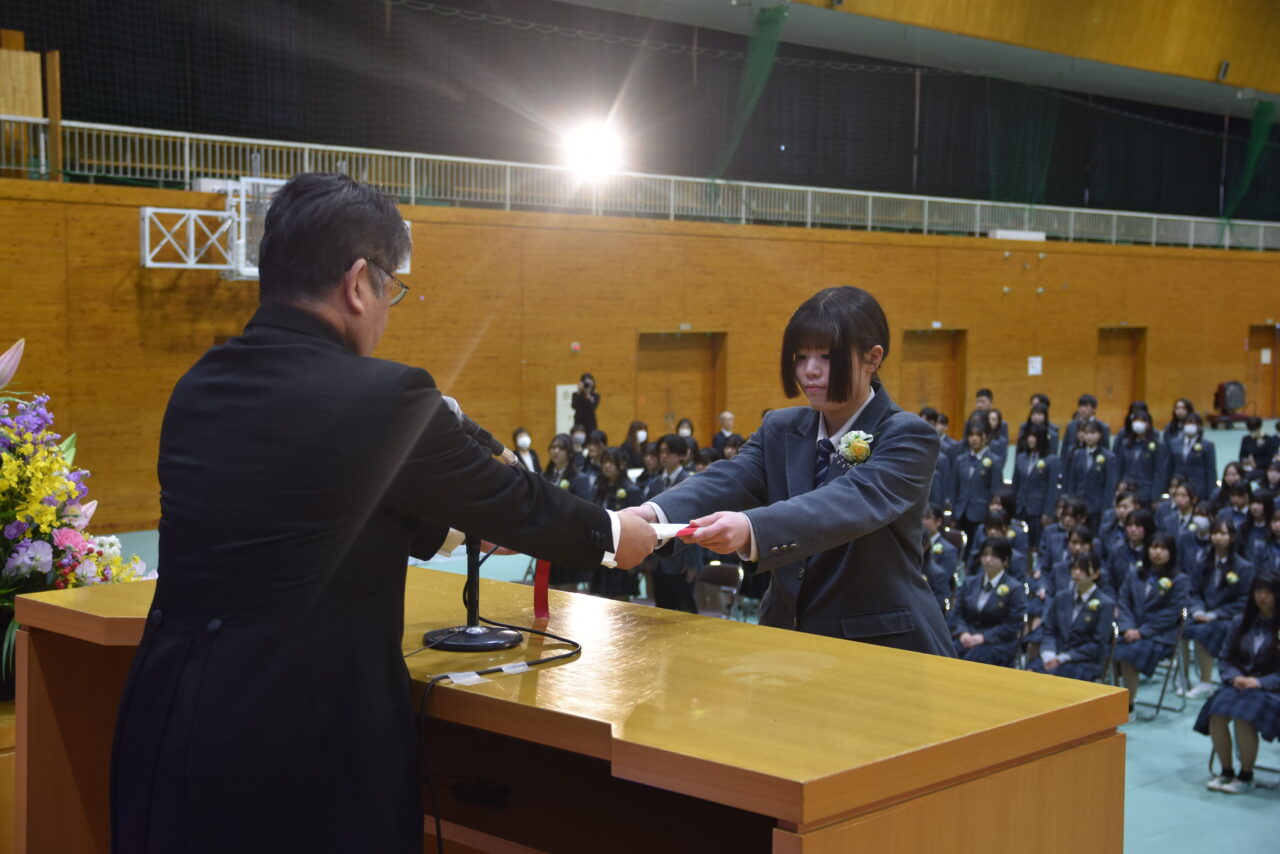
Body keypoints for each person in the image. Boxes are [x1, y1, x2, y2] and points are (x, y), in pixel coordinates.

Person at [109, 173, 655, 853]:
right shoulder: (386, 396)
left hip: (170, 727)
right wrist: (612, 534)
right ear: (358, 282)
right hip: (305, 750)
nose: (389, 309)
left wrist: (454, 524)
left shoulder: (198, 386)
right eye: (392, 289)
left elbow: (320, 513)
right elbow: (510, 500)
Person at [627, 286, 953, 655]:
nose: (809, 371)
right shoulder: (781, 427)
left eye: (827, 357)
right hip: (784, 639)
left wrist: (752, 528)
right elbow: (730, 478)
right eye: (800, 356)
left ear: (873, 358)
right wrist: (650, 513)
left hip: (879, 645)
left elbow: (846, 503)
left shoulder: (909, 435)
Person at [1195, 571, 1280, 794]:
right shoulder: (1240, 621)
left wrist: (1260, 682)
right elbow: (1225, 656)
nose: (1263, 596)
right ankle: (1226, 771)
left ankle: (1246, 775)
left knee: (1244, 718)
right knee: (1217, 714)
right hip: (1239, 683)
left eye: (1269, 592)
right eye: (1259, 591)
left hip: (1270, 689)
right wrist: (1234, 677)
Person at [1113, 531, 1190, 712]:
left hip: (1160, 635)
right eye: (1154, 547)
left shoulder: (1179, 580)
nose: (1157, 552)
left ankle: (1127, 706)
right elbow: (1124, 601)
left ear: (1171, 552)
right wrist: (1128, 627)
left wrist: (1142, 631)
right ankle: (1113, 699)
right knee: (1107, 647)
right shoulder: (1135, 573)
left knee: (1129, 653)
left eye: (1163, 548)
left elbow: (1170, 614)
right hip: (1130, 629)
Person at [1182, 518, 1255, 699]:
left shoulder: (1244, 567)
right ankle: (1184, 679)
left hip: (1228, 618)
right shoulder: (1202, 562)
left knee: (1204, 632)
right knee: (1182, 626)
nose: (1218, 538)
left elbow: (1245, 601)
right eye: (1215, 533)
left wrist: (1215, 614)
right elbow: (1194, 591)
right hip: (1202, 613)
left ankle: (1205, 681)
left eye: (1223, 534)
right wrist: (1198, 610)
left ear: (1231, 537)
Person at [1030, 553, 1116, 681]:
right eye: (1074, 568)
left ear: (1096, 574)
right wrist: (1048, 653)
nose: (1077, 573)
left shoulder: (1105, 604)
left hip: (1084, 662)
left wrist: (1065, 657)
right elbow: (1049, 630)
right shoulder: (1061, 597)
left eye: (1082, 569)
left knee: (1056, 677)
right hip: (1055, 655)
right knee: (1028, 673)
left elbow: (1098, 645)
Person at [643, 433, 701, 612]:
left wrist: (693, 562)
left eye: (669, 452)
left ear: (682, 455)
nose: (664, 456)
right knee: (661, 607)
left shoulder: (690, 481)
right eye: (661, 451)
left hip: (681, 558)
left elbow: (695, 522)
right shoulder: (655, 483)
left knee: (684, 609)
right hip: (658, 558)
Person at [950, 537, 1027, 666]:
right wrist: (963, 632)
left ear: (1005, 561)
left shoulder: (1015, 589)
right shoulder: (970, 583)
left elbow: (1013, 624)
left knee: (973, 659)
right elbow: (958, 613)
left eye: (994, 556)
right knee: (946, 652)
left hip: (997, 643)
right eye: (985, 555)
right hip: (968, 635)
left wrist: (984, 637)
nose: (988, 559)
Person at [1012, 422, 1059, 550]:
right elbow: (1015, 485)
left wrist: (1048, 513)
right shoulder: (1021, 458)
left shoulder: (1051, 460)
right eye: (1029, 436)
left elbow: (1052, 489)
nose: (1031, 439)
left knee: (1036, 546)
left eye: (1035, 436)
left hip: (1038, 510)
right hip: (1020, 508)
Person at [1167, 412, 1216, 501]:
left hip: (1198, 490)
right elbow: (1168, 467)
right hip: (1177, 489)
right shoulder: (1174, 443)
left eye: (1193, 423)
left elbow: (1211, 471)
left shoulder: (1207, 445)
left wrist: (1211, 494)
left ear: (1199, 426)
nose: (1190, 425)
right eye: (1188, 423)